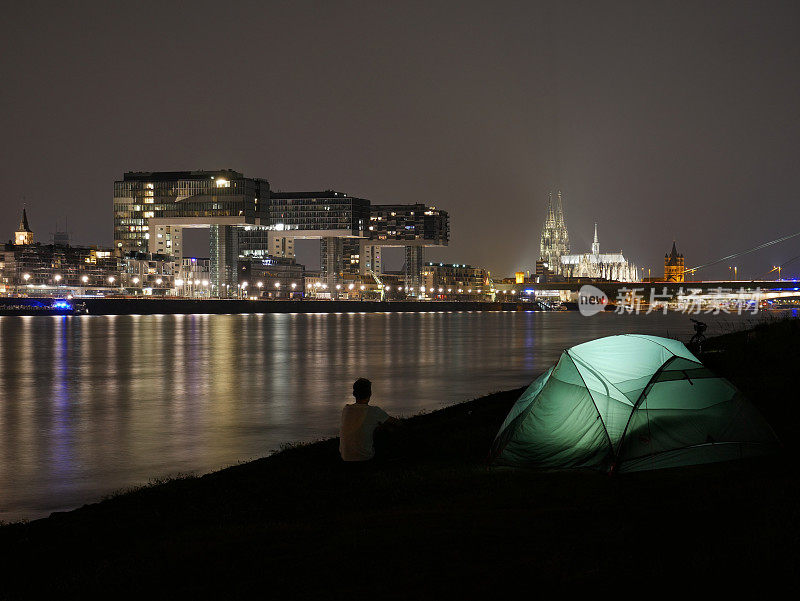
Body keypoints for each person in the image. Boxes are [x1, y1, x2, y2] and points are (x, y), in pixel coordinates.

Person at [339, 378, 396, 462]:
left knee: (374, 426)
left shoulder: (346, 409)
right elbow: (396, 423)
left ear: (354, 394)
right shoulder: (374, 411)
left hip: (345, 458)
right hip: (365, 458)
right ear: (370, 393)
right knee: (386, 428)